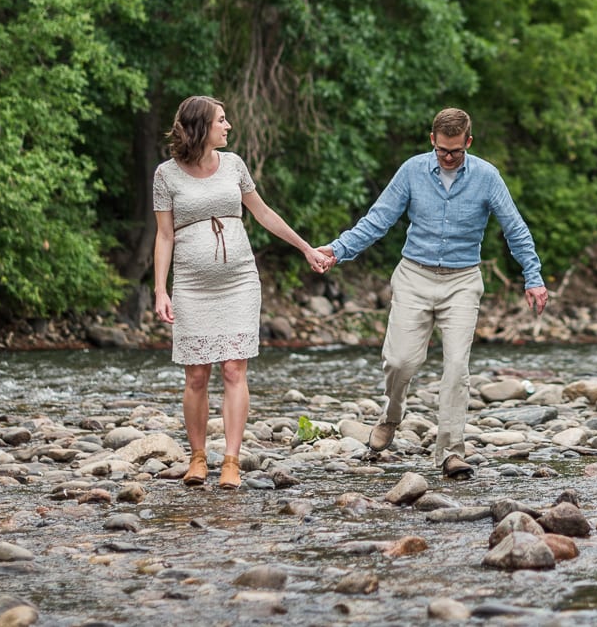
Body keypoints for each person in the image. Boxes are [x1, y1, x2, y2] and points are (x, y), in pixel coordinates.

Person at [319, 107, 547, 479]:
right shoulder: (412, 171)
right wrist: (337, 250)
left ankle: (450, 451)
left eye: (456, 151)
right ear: (432, 141)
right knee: (400, 362)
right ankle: (392, 415)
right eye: (442, 150)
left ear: (468, 143)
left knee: (457, 367)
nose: (448, 157)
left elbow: (516, 229)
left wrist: (533, 277)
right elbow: (378, 220)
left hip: (462, 281)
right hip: (413, 275)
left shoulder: (487, 177)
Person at [152, 95, 331, 489]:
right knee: (197, 374)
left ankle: (230, 461)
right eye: (221, 120)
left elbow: (263, 212)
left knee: (234, 368)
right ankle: (198, 458)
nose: (228, 125)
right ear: (202, 126)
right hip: (192, 285)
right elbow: (164, 235)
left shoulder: (234, 165)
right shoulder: (166, 175)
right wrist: (159, 289)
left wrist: (306, 248)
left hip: (239, 281)